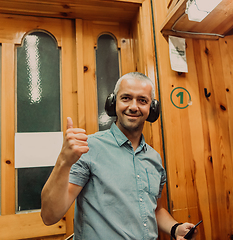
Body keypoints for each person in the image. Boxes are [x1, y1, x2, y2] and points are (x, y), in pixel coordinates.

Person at [41, 72, 198, 240]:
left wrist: (175, 228)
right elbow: (49, 216)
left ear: (152, 109)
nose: (133, 106)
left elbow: (155, 209)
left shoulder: (154, 158)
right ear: (113, 102)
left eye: (142, 100)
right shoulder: (89, 148)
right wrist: (64, 162)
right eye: (126, 98)